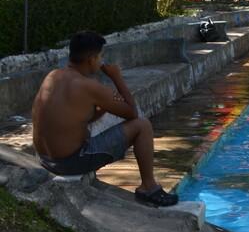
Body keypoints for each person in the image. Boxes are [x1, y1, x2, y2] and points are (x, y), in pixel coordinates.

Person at [31, 31, 178, 207]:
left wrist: (102, 107)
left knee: (107, 117)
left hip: (43, 158)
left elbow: (78, 118)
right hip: (68, 163)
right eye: (101, 56)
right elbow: (133, 113)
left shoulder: (52, 76)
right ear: (92, 59)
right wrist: (116, 77)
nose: (102, 61)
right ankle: (149, 187)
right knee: (142, 126)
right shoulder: (89, 86)